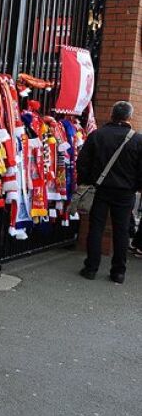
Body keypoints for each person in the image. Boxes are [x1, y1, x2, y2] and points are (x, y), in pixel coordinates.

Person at [76, 101, 142, 284]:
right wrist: (134, 187)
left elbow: (82, 163)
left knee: (95, 228)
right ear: (129, 117)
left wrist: (87, 182)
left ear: (112, 115)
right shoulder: (137, 140)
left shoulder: (97, 136)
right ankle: (118, 272)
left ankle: (91, 268)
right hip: (125, 192)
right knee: (121, 231)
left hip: (99, 189)